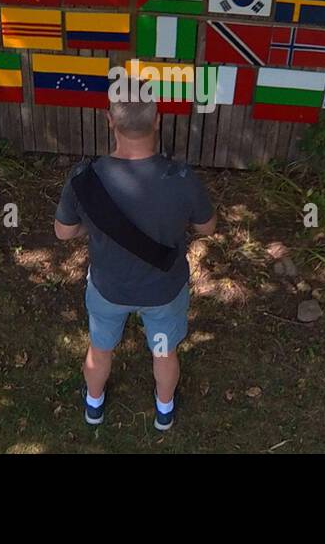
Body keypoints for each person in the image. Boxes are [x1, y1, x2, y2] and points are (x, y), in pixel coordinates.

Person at [54, 97, 216, 431]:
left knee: (100, 349)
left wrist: (93, 223)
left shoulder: (85, 177)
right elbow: (207, 227)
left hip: (109, 290)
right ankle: (164, 411)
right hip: (162, 291)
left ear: (109, 120)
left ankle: (94, 406)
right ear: (158, 121)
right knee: (163, 352)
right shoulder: (182, 177)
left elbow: (63, 232)